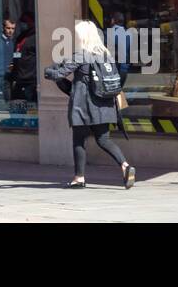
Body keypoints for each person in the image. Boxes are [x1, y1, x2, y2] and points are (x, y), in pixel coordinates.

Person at [44, 19, 135, 189]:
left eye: (77, 36)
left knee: (79, 140)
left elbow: (59, 74)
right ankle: (125, 166)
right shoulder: (106, 55)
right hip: (105, 104)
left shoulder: (81, 55)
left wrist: (47, 71)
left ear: (83, 38)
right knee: (104, 139)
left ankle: (79, 178)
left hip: (83, 105)